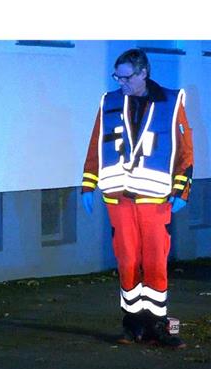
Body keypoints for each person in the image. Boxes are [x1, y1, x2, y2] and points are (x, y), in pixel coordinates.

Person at [81, 48, 194, 349]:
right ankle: (133, 325)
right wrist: (87, 183)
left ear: (143, 72)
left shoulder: (172, 101)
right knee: (128, 261)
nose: (121, 82)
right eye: (117, 76)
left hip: (156, 199)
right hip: (118, 198)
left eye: (126, 77)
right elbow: (96, 144)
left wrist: (182, 189)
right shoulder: (110, 102)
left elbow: (185, 150)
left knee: (156, 262)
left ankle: (163, 326)